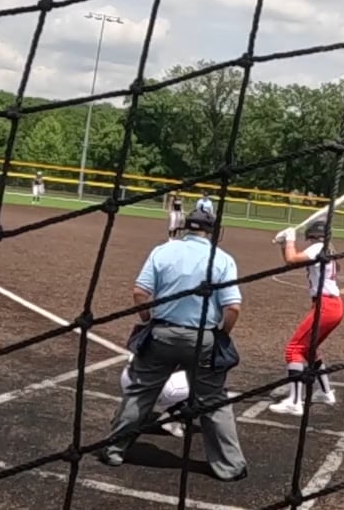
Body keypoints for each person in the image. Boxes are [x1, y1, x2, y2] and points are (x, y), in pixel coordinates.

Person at [99, 199, 246, 480]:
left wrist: (147, 319)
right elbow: (233, 308)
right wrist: (221, 334)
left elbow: (140, 292)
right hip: (202, 338)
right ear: (212, 230)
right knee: (214, 401)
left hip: (162, 334)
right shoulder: (222, 258)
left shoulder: (163, 250)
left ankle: (114, 450)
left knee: (140, 393)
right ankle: (230, 466)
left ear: (185, 227)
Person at [273, 218, 343, 415]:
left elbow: (292, 259)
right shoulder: (327, 249)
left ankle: (295, 402)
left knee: (294, 349)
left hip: (326, 306)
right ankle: (326, 393)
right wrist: (284, 244)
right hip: (332, 305)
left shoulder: (317, 248)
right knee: (310, 350)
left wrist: (290, 238)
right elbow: (292, 261)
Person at [116, 364, 189, 439]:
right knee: (194, 390)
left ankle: (127, 414)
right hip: (163, 389)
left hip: (131, 376)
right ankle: (169, 420)